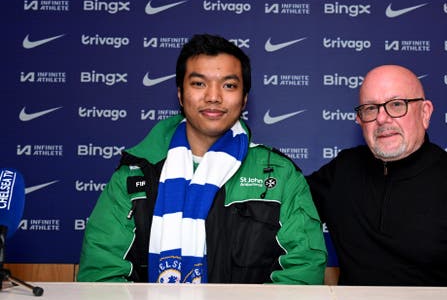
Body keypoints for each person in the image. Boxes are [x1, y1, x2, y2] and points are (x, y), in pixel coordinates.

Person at [78, 34, 327, 284]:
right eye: (199, 84)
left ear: (244, 98)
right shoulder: (134, 174)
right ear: (179, 94)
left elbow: (302, 272)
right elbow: (102, 274)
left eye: (229, 85)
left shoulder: (278, 175)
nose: (213, 96)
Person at [307, 65, 447, 286]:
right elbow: (283, 203)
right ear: (359, 119)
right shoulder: (342, 171)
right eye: (370, 108)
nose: (382, 119)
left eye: (397, 105)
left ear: (425, 113)